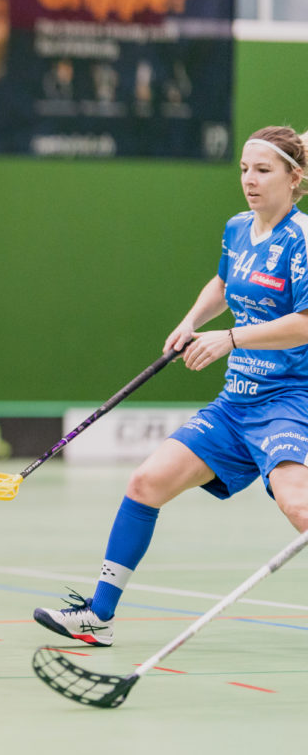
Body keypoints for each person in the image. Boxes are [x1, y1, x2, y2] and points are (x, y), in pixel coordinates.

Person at [34, 126, 308, 647]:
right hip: (237, 404)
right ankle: (99, 615)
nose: (249, 180)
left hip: (291, 401)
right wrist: (192, 321)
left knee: (299, 507)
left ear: (294, 178)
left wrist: (230, 337)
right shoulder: (237, 228)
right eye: (244, 169)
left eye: (263, 170)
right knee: (146, 482)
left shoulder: (302, 240)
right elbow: (225, 282)